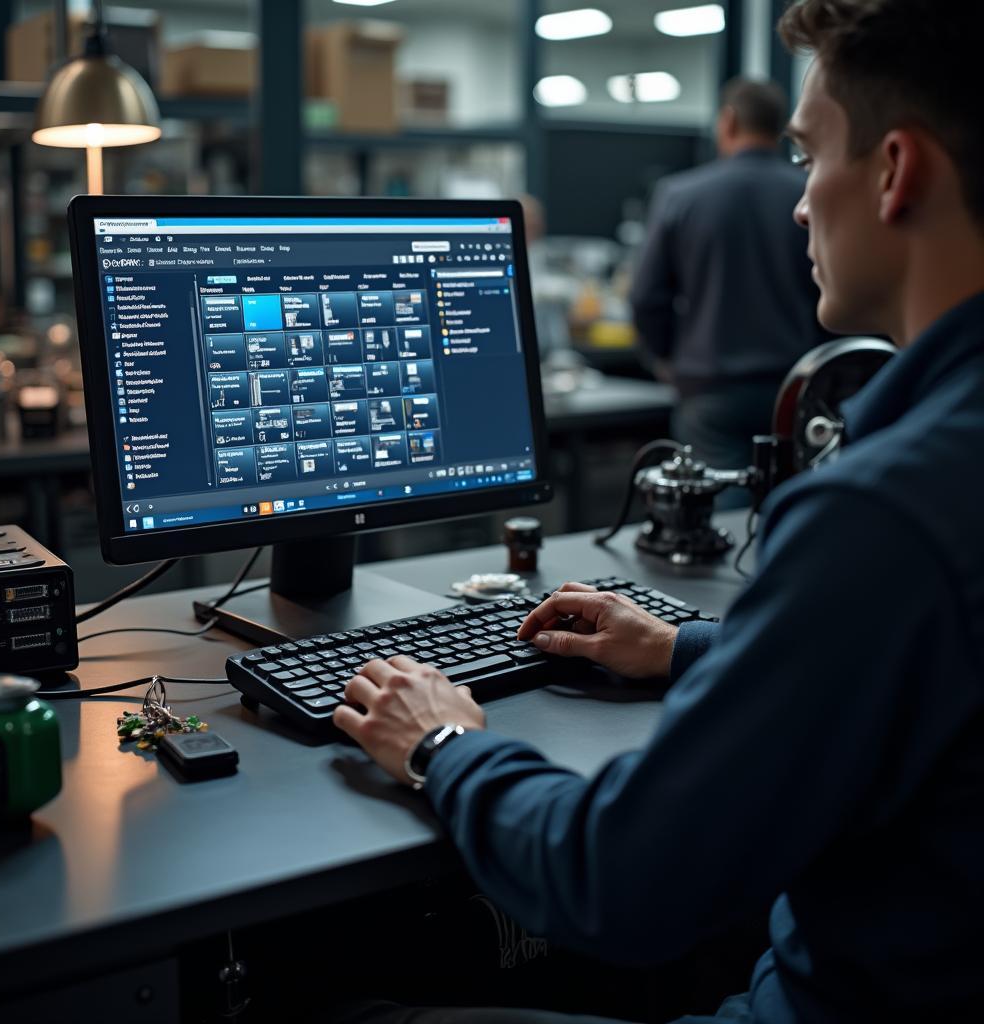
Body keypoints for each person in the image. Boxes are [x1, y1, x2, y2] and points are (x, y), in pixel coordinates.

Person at [325, 1, 984, 1020]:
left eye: (809, 157)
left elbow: (613, 879)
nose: (800, 206)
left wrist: (445, 743)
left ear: (895, 171)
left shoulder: (887, 512)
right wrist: (680, 646)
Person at [631, 77, 827, 503]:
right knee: (788, 506)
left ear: (728, 121)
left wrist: (666, 357)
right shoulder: (807, 194)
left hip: (710, 386)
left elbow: (646, 295)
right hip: (793, 385)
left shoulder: (680, 194)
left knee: (717, 514)